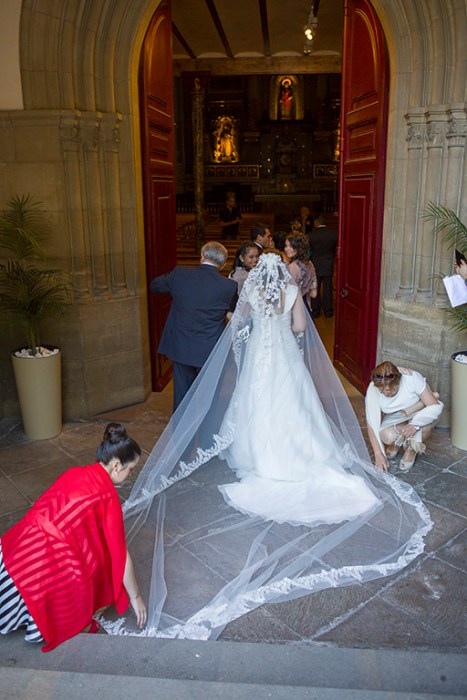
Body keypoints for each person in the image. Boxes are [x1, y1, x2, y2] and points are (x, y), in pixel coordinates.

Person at [104, 253, 432, 642]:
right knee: (295, 407)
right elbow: (299, 327)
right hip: (285, 359)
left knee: (256, 406)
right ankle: (302, 456)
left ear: (261, 273)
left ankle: (260, 456)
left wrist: (252, 332)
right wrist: (282, 329)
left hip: (259, 360)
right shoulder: (291, 292)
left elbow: (238, 323)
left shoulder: (251, 291)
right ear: (282, 274)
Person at [0, 422, 147, 652]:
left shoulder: (76, 472)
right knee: (93, 562)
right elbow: (120, 554)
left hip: (17, 546)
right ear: (117, 465)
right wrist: (136, 597)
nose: (130, 475)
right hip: (39, 565)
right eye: (131, 469)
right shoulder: (107, 498)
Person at [150, 241, 237, 411]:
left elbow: (155, 285)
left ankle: (182, 428)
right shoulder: (229, 286)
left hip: (182, 345)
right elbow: (232, 313)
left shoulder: (180, 274)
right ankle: (205, 425)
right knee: (209, 396)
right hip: (210, 348)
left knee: (182, 397)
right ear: (223, 264)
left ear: (202, 256)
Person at [365, 361, 443, 472]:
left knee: (425, 428)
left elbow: (435, 406)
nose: (384, 393)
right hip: (398, 416)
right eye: (380, 389)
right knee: (387, 436)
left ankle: (411, 450)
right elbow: (371, 423)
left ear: (397, 383)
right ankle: (398, 442)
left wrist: (415, 425)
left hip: (418, 413)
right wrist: (378, 454)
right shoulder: (373, 388)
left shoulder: (411, 379)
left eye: (388, 390)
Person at [308, 214, 338, 318]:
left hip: (315, 264)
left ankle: (316, 311)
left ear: (316, 223)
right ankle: (328, 310)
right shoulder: (333, 234)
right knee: (328, 288)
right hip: (328, 263)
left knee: (315, 287)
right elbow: (335, 249)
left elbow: (309, 251)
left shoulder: (311, 235)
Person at [284, 232, 317, 313]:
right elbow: (314, 294)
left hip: (294, 307)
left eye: (291, 246)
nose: (286, 249)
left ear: (299, 248)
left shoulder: (292, 267)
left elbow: (287, 295)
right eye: (286, 245)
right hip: (306, 305)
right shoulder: (310, 264)